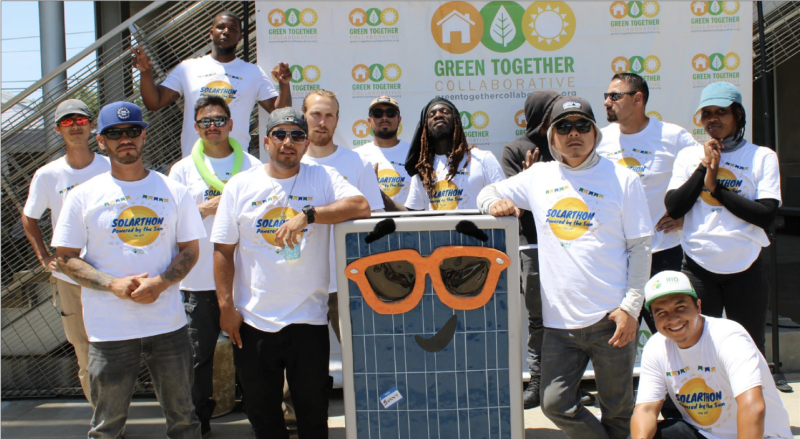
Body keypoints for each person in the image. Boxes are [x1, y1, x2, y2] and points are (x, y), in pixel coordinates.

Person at [478, 96, 653, 439]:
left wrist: (631, 307)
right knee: (555, 403)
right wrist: (493, 202)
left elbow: (641, 247)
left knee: (618, 410)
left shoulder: (622, 179)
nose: (574, 133)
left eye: (582, 125)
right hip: (559, 324)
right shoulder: (539, 176)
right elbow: (490, 189)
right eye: (564, 127)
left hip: (611, 320)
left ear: (595, 133)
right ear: (551, 136)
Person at [210, 107, 370, 439]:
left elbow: (360, 206)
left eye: (297, 136)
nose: (288, 142)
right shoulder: (241, 185)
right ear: (266, 141)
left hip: (308, 320)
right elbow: (223, 250)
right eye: (281, 135)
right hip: (254, 320)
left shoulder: (321, 177)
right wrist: (226, 307)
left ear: (306, 143)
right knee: (263, 415)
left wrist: (309, 215)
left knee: (313, 416)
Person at [52, 101, 205, 438]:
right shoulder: (83, 195)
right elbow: (65, 257)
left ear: (144, 136)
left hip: (167, 326)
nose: (125, 139)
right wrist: (112, 284)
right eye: (115, 133)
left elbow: (191, 249)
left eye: (132, 131)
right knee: (107, 426)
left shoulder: (173, 191)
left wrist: (162, 284)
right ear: (101, 140)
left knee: (184, 420)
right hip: (109, 330)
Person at [168, 96, 262, 437]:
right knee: (197, 360)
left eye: (219, 120)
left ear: (231, 124)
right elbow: (171, 223)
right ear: (195, 128)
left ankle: (261, 420)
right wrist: (203, 209)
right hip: (198, 282)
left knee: (252, 360)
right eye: (205, 122)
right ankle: (199, 424)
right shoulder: (181, 170)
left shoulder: (251, 165)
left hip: (245, 281)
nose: (213, 126)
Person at [665, 82, 781, 355]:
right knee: (697, 348)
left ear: (738, 115)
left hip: (746, 269)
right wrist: (704, 167)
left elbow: (765, 215)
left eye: (721, 112)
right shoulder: (689, 155)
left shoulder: (761, 156)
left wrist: (716, 187)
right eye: (706, 113)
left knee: (749, 350)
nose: (712, 119)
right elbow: (675, 207)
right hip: (699, 269)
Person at [21, 99, 111, 405]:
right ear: (58, 129)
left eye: (81, 121)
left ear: (91, 126)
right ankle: (104, 422)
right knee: (84, 351)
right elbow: (29, 217)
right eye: (67, 122)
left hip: (112, 272)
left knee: (120, 347)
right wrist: (44, 256)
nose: (75, 127)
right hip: (71, 277)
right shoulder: (48, 175)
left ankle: (116, 414)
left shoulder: (111, 167)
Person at [630, 270, 793, 439]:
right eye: (661, 313)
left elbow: (752, 406)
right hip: (705, 435)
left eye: (680, 307)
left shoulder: (728, 337)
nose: (673, 319)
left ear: (698, 306)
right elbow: (646, 409)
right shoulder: (656, 346)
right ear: (653, 318)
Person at [598, 73, 700, 333]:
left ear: (638, 98)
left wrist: (687, 217)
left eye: (615, 96)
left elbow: (705, 175)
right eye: (606, 96)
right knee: (616, 335)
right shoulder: (599, 140)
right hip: (616, 256)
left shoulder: (673, 136)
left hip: (662, 251)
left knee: (672, 332)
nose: (607, 102)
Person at [132, 10, 291, 158]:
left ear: (240, 37)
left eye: (232, 29)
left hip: (236, 163)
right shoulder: (188, 68)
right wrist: (145, 73)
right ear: (211, 33)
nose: (226, 32)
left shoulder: (253, 72)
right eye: (221, 27)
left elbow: (279, 112)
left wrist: (284, 85)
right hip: (195, 163)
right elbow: (154, 102)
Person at [300, 89, 384, 341]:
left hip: (347, 283)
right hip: (298, 285)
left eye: (329, 115)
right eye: (315, 114)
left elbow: (375, 222)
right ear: (303, 116)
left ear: (337, 119)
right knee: (298, 370)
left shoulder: (357, 162)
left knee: (360, 363)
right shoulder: (288, 164)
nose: (322, 122)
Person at [500, 90, 561, 409]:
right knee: (538, 319)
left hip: (570, 244)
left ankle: (568, 386)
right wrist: (527, 179)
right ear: (540, 114)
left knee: (570, 317)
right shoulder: (515, 149)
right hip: (533, 246)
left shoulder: (565, 145)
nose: (562, 116)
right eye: (554, 110)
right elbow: (514, 207)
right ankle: (537, 382)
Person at [402, 97, 505, 211]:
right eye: (432, 115)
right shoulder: (423, 170)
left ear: (457, 121)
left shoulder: (483, 159)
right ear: (425, 128)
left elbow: (505, 201)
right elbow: (412, 214)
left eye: (445, 112)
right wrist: (380, 194)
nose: (438, 115)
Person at [354, 96, 412, 209]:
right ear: (369, 121)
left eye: (390, 113)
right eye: (378, 113)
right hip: (370, 225)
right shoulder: (357, 156)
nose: (384, 118)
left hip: (407, 224)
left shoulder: (414, 153)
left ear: (399, 120)